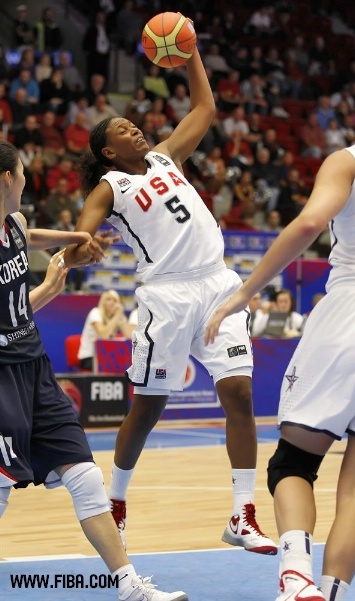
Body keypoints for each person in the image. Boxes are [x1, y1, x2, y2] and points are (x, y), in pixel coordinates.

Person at [64, 41, 277, 557]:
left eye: (132, 123)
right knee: (149, 406)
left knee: (241, 396)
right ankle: (114, 503)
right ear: (109, 152)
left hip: (218, 284)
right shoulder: (109, 187)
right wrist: (86, 247)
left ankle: (241, 513)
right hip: (167, 296)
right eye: (121, 130)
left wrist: (194, 56)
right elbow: (80, 240)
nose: (133, 127)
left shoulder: (165, 155)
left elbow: (204, 109)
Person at [204, 76, 355, 601]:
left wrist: (244, 292)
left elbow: (311, 220)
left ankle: (295, 575)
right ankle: (329, 595)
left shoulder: (350, 159)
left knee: (293, 462)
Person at [0, 139, 188, 601]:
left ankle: (129, 587)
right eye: (23, 174)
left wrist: (74, 239)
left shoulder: (14, 223)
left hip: (35, 369)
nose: (27, 181)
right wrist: (48, 286)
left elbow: (31, 237)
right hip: (2, 375)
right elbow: (16, 309)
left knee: (84, 474)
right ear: (7, 179)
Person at [78, 289, 135, 371]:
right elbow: (104, 336)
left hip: (107, 357)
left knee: (127, 366)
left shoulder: (116, 316)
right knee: (115, 366)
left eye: (115, 300)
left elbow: (129, 335)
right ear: (102, 302)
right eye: (108, 299)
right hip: (90, 357)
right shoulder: (95, 313)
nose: (112, 302)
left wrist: (120, 315)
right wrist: (117, 316)